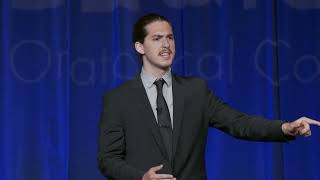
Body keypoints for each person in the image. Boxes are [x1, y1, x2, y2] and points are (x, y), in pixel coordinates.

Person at [97, 13, 320, 180]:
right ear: (139, 47)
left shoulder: (196, 90)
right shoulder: (118, 99)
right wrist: (141, 178)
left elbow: (239, 123)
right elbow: (108, 160)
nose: (166, 45)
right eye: (156, 38)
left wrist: (285, 128)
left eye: (170, 38)